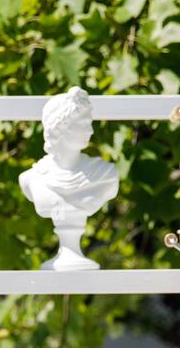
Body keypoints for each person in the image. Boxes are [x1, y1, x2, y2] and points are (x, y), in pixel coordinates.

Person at [19, 87, 119, 270]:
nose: (90, 130)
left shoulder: (105, 175)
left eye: (90, 123)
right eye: (83, 123)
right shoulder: (31, 179)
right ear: (60, 126)